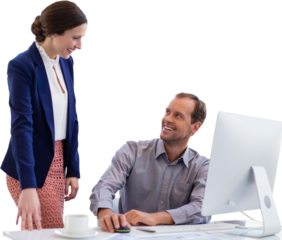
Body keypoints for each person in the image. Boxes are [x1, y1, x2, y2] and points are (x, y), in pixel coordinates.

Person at [0, 0, 89, 231]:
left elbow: (73, 118)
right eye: (75, 37)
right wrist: (28, 187)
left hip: (59, 161)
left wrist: (73, 168)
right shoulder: (21, 66)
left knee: (48, 231)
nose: (80, 45)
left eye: (82, 38)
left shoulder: (67, 62)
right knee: (51, 230)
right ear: (53, 32)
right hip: (29, 165)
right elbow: (21, 127)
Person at [88, 92, 213, 233]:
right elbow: (104, 186)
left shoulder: (202, 165)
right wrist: (105, 212)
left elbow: (203, 208)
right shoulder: (132, 150)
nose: (167, 119)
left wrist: (155, 218)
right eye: (167, 112)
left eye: (178, 115)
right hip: (132, 236)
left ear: (195, 127)